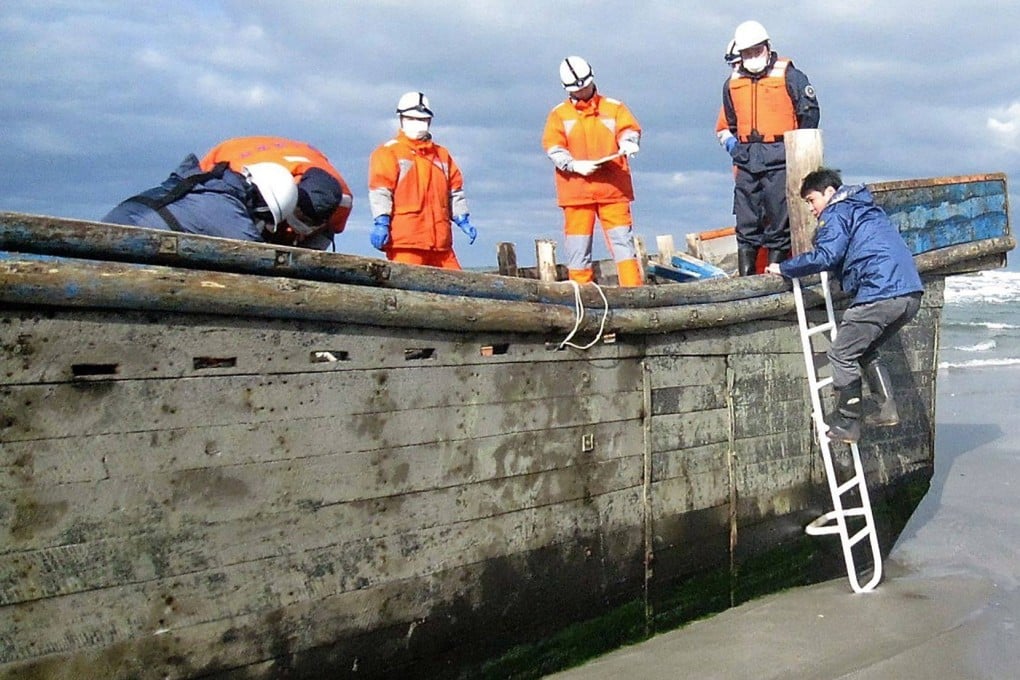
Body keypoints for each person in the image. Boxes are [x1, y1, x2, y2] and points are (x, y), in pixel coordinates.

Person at [765, 167, 924, 443]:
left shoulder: (837, 211)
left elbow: (827, 255)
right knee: (864, 349)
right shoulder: (867, 209)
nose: (812, 210)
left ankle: (848, 423)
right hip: (909, 294)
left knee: (841, 354)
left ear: (830, 192)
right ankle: (886, 409)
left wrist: (785, 267)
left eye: (812, 200)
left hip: (881, 293)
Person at [716, 20, 820, 276]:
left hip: (780, 156)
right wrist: (736, 149)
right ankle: (745, 281)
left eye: (756, 50)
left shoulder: (789, 75)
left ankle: (775, 274)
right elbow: (729, 122)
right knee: (746, 218)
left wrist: (796, 152)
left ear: (767, 46)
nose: (752, 57)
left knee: (779, 217)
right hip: (747, 158)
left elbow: (809, 113)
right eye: (747, 52)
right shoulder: (732, 83)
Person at [541, 56, 644, 287]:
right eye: (577, 89)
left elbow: (628, 129)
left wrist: (629, 141)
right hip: (577, 193)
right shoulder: (559, 115)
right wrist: (573, 165)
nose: (582, 91)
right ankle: (582, 300)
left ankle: (634, 296)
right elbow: (554, 147)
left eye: (585, 86)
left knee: (624, 249)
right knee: (578, 252)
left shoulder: (614, 108)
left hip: (612, 190)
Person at [367, 92, 478, 270]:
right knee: (407, 294)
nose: (418, 124)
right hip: (406, 243)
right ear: (401, 119)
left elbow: (454, 190)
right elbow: (381, 191)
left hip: (441, 244)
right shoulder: (388, 152)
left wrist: (462, 218)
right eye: (411, 118)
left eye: (423, 120)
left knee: (458, 291)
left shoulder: (442, 155)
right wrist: (381, 222)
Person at [200, 136, 353, 251]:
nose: (300, 228)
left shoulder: (342, 201)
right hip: (230, 159)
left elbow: (328, 233)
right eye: (300, 218)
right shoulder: (247, 179)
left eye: (311, 223)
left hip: (292, 158)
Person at [103, 154, 297, 242]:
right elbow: (258, 260)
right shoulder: (228, 212)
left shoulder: (206, 184)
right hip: (128, 247)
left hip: (110, 231)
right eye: (267, 220)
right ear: (262, 207)